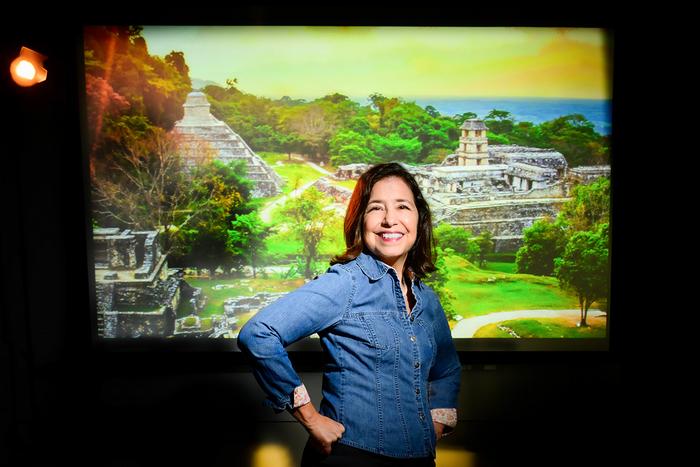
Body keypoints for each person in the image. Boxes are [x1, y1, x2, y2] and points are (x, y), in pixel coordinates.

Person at [237, 162, 462, 466]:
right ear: (360, 220)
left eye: (402, 207)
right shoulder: (345, 283)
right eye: (375, 208)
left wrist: (435, 424)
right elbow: (259, 334)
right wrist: (311, 418)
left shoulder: (427, 299)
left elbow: (447, 369)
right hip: (351, 456)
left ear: (418, 218)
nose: (389, 220)